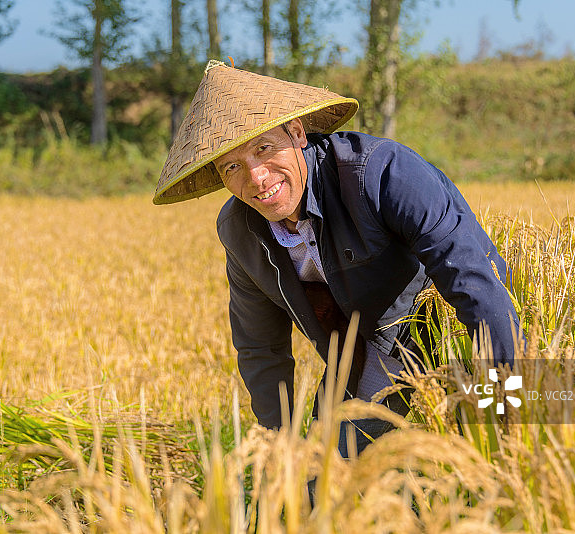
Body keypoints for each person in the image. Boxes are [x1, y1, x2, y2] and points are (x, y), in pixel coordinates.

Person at [154, 61, 520, 456]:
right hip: (352, 353)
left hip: (432, 329)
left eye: (264, 148)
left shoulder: (382, 174)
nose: (257, 178)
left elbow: (473, 278)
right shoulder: (240, 231)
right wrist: (282, 449)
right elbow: (261, 348)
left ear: (297, 133)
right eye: (232, 166)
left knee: (361, 464)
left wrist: (505, 400)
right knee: (312, 488)